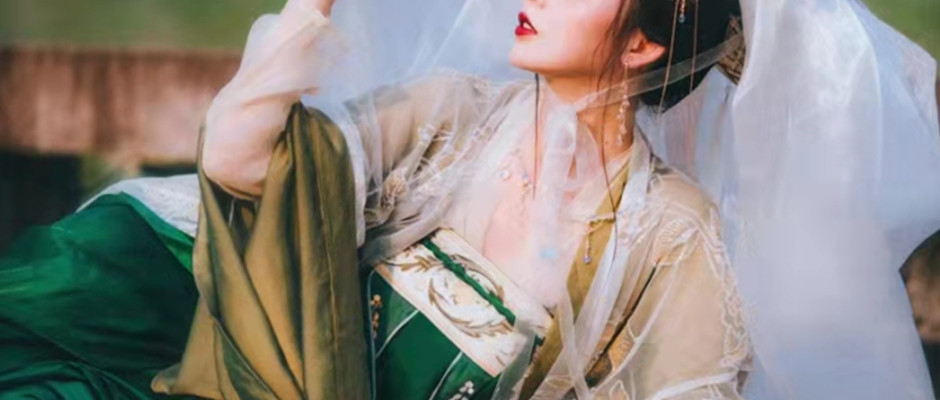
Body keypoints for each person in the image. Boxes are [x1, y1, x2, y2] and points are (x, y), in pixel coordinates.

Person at [1, 0, 938, 398]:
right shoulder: (450, 115)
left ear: (644, 43)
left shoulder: (670, 234)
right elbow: (259, 172)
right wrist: (310, 13)